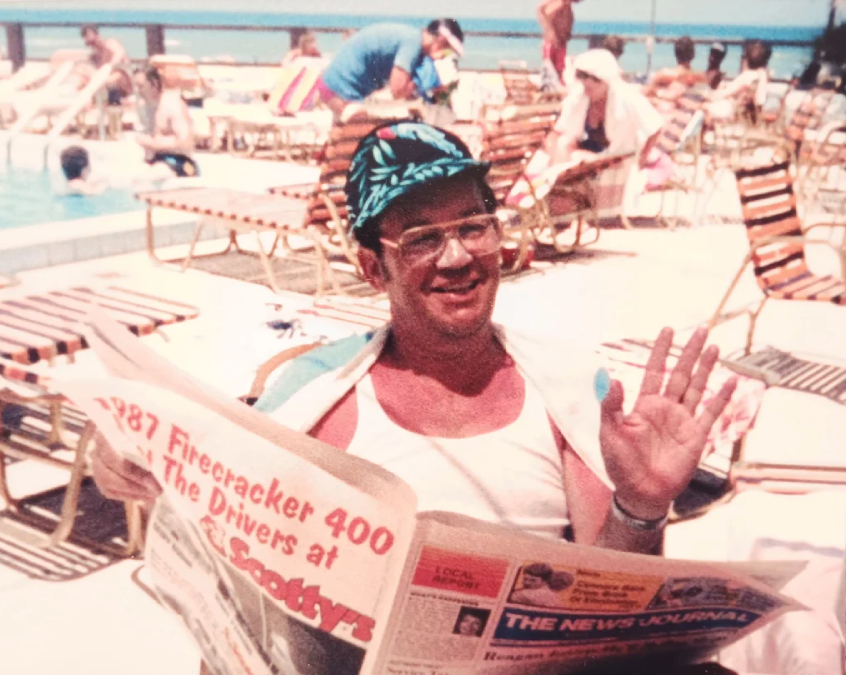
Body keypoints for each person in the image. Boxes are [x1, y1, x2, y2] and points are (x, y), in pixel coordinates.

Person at [91, 120, 736, 557]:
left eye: (474, 226)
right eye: (422, 238)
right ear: (374, 267)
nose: (457, 258)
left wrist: (644, 507)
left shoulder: (569, 394)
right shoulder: (316, 393)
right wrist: (120, 458)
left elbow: (612, 598)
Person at [316, 19, 464, 117]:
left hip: (334, 84)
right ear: (441, 41)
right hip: (342, 88)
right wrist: (416, 86)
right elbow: (397, 90)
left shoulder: (413, 42)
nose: (446, 57)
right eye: (448, 51)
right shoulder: (412, 43)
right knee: (358, 140)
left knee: (345, 141)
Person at [549, 49, 665, 170]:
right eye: (582, 75)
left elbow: (656, 126)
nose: (587, 82)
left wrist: (643, 158)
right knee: (563, 143)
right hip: (587, 159)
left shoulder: (626, 97)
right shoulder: (579, 96)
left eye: (595, 78)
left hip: (617, 160)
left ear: (607, 80)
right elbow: (562, 130)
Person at [133, 66, 199, 180]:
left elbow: (185, 141)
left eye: (141, 86)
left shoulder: (172, 104)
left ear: (154, 84)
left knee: (143, 179)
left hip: (180, 163)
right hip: (157, 161)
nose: (137, 91)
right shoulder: (147, 107)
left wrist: (153, 144)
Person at [709, 40, 772, 123]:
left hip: (732, 112)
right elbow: (760, 100)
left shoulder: (746, 77)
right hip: (747, 116)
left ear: (747, 59)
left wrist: (712, 94)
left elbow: (722, 95)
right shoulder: (762, 75)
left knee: (703, 105)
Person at [645, 36, 706, 107]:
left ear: (675, 54)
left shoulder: (664, 74)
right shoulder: (699, 78)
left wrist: (657, 93)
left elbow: (646, 92)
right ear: (693, 55)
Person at [81, 24, 132, 105]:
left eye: (93, 42)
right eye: (90, 44)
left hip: (122, 81)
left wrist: (109, 67)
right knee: (86, 82)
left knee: (111, 79)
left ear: (97, 35)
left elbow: (120, 54)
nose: (93, 46)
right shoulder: (94, 57)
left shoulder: (110, 44)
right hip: (106, 85)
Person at [537, 0, 582, 93]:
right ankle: (551, 94)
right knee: (551, 71)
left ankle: (554, 93)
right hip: (554, 43)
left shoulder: (566, 6)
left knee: (558, 70)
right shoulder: (560, 4)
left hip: (560, 42)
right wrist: (551, 32)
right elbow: (542, 11)